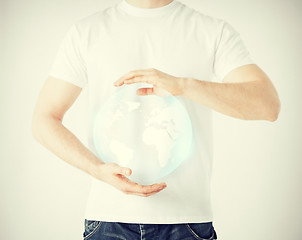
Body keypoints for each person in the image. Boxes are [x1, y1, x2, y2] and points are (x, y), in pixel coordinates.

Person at [32, 0, 280, 239]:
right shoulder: (86, 31)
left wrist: (182, 85)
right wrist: (97, 170)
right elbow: (44, 120)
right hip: (108, 220)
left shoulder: (212, 31)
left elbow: (268, 105)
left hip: (187, 223)